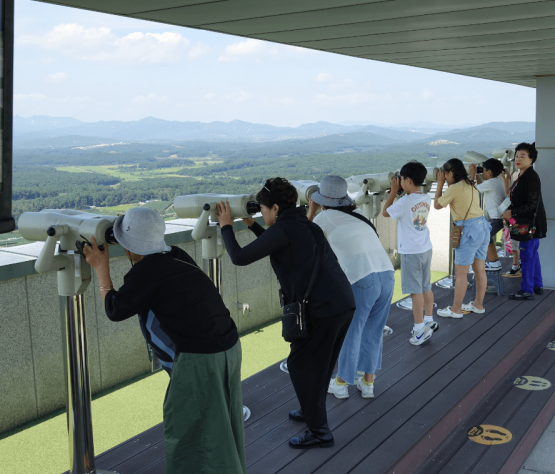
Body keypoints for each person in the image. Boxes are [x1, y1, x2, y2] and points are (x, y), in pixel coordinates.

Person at [82, 207, 246, 474]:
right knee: (222, 425)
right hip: (227, 346)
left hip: (200, 359)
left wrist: (102, 268)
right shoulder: (176, 255)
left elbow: (115, 309)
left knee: (189, 432)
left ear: (130, 247)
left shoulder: (146, 271)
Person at [216, 177, 355, 449]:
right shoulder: (301, 223)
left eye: (264, 209)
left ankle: (320, 432)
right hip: (342, 302)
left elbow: (240, 257)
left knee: (301, 365)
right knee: (319, 365)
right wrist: (252, 223)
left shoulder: (284, 229)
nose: (263, 213)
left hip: (323, 309)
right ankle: (310, 410)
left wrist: (225, 227)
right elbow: (276, 242)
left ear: (276, 208)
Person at [306, 176, 395, 400]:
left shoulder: (323, 218)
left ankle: (341, 383)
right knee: (374, 331)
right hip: (387, 273)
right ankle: (367, 383)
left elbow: (306, 239)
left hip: (362, 278)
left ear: (322, 200)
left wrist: (312, 209)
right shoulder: (360, 215)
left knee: (351, 332)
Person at [382, 160, 439, 343]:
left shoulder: (404, 202)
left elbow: (385, 212)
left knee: (415, 293)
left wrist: (392, 192)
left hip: (410, 252)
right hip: (425, 247)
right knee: (425, 287)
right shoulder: (426, 198)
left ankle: (419, 329)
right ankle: (429, 320)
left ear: (406, 180)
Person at [433, 158, 491, 318]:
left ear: (450, 173)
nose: (444, 178)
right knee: (479, 269)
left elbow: (437, 205)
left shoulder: (454, 188)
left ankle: (456, 309)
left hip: (469, 231)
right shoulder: (469, 184)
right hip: (483, 227)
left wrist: (439, 183)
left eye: (445, 175)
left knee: (461, 272)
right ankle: (478, 305)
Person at [502, 143, 547, 300]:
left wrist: (511, 212)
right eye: (516, 156)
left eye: (523, 156)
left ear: (532, 159)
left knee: (527, 256)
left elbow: (531, 204)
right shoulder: (523, 175)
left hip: (529, 224)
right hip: (528, 223)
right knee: (532, 254)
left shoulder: (531, 177)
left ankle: (527, 289)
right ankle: (537, 284)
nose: (518, 159)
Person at [472, 158, 507, 271]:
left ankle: (493, 263)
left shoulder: (490, 183)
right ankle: (494, 262)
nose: (482, 173)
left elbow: (472, 190)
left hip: (497, 217)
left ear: (489, 172)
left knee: (483, 237)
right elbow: (481, 186)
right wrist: (478, 175)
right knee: (486, 237)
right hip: (499, 217)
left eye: (483, 171)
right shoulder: (495, 181)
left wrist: (472, 174)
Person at [501, 169, 521, 275]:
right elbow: (508, 190)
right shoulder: (518, 190)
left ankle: (515, 265)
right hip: (516, 221)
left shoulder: (515, 196)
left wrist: (504, 177)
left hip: (514, 222)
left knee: (514, 245)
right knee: (516, 244)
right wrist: (507, 177)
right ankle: (518, 262)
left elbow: (507, 191)